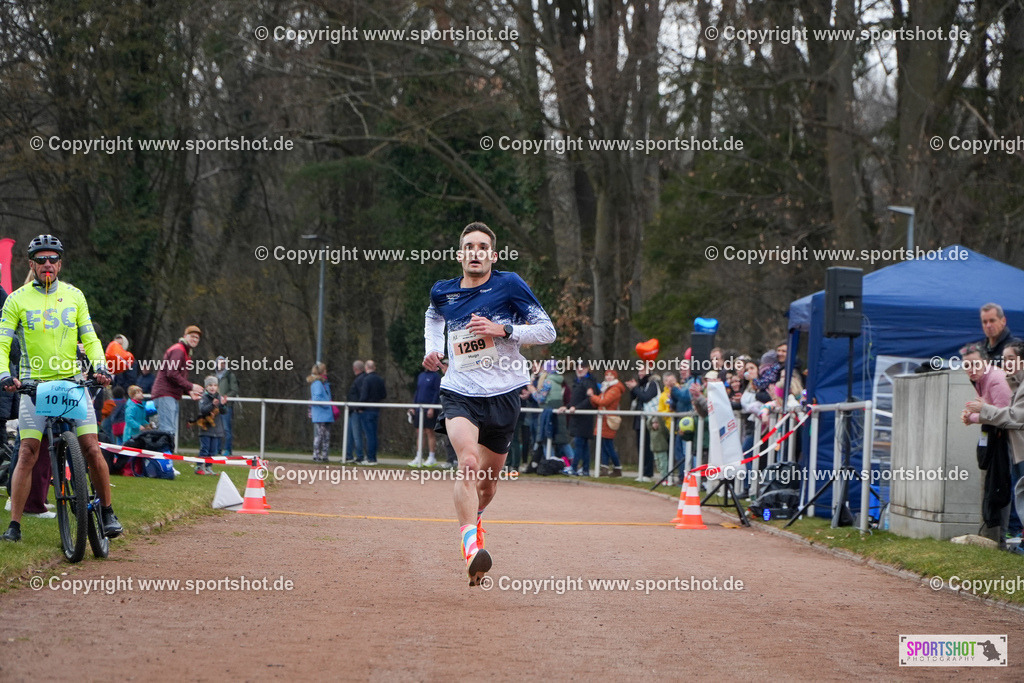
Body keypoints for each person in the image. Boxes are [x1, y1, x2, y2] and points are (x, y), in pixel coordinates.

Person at [422, 221, 555, 586]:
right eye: (469, 246)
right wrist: (432, 349)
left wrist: (506, 330)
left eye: (483, 247)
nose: (476, 252)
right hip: (460, 391)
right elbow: (433, 317)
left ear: (492, 256)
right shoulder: (443, 293)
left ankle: (477, 519)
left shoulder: (509, 285)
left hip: (503, 395)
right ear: (460, 254)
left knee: (488, 484)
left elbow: (547, 331)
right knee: (467, 463)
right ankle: (469, 545)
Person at [0, 235, 122, 542]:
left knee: (92, 447)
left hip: (71, 383)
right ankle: (14, 525)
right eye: (40, 260)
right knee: (28, 452)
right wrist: (4, 375)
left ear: (60, 263)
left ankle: (107, 512)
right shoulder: (16, 299)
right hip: (34, 385)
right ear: (31, 265)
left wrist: (100, 367)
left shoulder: (74, 295)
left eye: (52, 259)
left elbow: (91, 338)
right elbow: (2, 342)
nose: (47, 265)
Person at [966, 341, 1024, 550]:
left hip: (1014, 447)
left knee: (1013, 492)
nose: (1006, 363)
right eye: (1005, 359)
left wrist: (978, 414)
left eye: (1011, 359)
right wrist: (975, 414)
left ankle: (1004, 537)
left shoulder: (999, 380)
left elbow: (1010, 417)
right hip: (1013, 447)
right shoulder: (1010, 382)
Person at [958, 343, 1012, 543]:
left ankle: (1001, 538)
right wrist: (971, 413)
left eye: (975, 364)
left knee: (1002, 486)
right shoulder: (980, 379)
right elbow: (982, 406)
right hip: (995, 439)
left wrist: (971, 418)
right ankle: (993, 536)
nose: (971, 370)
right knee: (994, 485)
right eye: (966, 366)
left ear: (986, 362)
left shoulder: (997, 379)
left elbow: (1002, 416)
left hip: (1010, 441)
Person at [151, 326, 203, 450]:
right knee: (167, 431)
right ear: (185, 336)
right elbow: (172, 373)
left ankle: (163, 462)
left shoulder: (185, 352)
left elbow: (177, 376)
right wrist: (191, 386)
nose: (195, 339)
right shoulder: (179, 350)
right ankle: (165, 464)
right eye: (192, 336)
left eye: (197, 337)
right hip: (165, 394)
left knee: (167, 429)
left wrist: (188, 391)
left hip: (170, 395)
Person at [625, 364, 661, 481]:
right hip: (639, 420)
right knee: (640, 447)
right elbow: (635, 399)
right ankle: (641, 472)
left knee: (647, 448)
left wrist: (635, 388)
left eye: (642, 370)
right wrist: (633, 389)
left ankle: (648, 473)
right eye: (639, 370)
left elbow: (645, 397)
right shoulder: (641, 385)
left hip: (649, 420)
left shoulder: (653, 384)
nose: (640, 372)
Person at [563, 360, 599, 476]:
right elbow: (575, 399)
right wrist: (567, 407)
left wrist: (576, 408)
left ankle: (574, 468)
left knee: (580, 444)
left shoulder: (589, 382)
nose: (579, 369)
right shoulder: (578, 381)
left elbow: (590, 400)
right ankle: (585, 469)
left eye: (582, 367)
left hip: (584, 418)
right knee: (583, 445)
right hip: (578, 417)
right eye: (578, 367)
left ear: (587, 369)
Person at [589, 369, 625, 477]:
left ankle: (617, 467)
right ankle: (604, 468)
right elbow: (598, 401)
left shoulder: (615, 389)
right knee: (603, 445)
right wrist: (595, 398)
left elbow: (604, 401)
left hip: (609, 419)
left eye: (611, 375)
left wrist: (592, 396)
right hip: (603, 419)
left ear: (615, 377)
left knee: (609, 445)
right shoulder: (606, 388)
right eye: (607, 375)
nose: (608, 377)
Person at [409, 361, 444, 467]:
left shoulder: (436, 376)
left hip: (429, 409)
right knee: (419, 432)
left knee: (429, 432)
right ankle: (418, 456)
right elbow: (417, 391)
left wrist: (432, 407)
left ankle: (432, 457)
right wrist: (413, 406)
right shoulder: (421, 375)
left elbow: (437, 392)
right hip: (419, 408)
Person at [194, 375, 227, 475]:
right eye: (210, 385)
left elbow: (223, 411)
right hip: (206, 429)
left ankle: (208, 467)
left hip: (216, 429)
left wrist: (222, 404)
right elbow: (203, 410)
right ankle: (200, 467)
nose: (213, 387)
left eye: (215, 385)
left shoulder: (218, 397)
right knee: (205, 449)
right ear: (206, 387)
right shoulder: (203, 397)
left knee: (213, 451)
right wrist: (212, 404)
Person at [358, 359, 386, 464]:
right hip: (376, 410)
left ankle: (371, 458)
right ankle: (372, 456)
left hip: (367, 410)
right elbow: (384, 394)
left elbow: (364, 396)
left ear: (366, 368)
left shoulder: (366, 380)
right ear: (374, 367)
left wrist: (360, 406)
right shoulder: (380, 379)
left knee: (369, 435)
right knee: (373, 435)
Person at [308, 363, 334, 462]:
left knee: (326, 435)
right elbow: (317, 398)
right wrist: (327, 404)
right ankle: (316, 454)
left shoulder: (324, 383)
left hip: (326, 413)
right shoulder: (318, 383)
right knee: (320, 435)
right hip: (321, 413)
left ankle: (325, 455)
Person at [215, 356, 239, 456]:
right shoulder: (213, 376)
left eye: (223, 363)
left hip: (227, 406)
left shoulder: (230, 375)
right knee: (216, 428)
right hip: (216, 406)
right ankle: (217, 449)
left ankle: (227, 449)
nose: (222, 365)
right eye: (220, 363)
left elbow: (234, 389)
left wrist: (226, 397)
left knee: (226, 429)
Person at [346, 360, 366, 463]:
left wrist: (359, 407)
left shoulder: (360, 379)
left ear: (355, 369)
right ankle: (348, 454)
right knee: (350, 434)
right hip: (352, 410)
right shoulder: (360, 379)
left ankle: (359, 456)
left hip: (356, 411)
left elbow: (362, 395)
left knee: (356, 434)